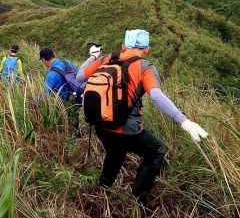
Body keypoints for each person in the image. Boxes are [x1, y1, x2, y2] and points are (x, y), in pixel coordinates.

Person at [76, 30, 209, 206]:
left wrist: (93, 56)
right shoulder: (145, 67)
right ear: (147, 49)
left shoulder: (106, 59)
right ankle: (139, 201)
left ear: (123, 46)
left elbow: (79, 77)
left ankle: (103, 190)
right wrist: (184, 121)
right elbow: (156, 96)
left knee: (115, 152)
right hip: (126, 130)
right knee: (157, 151)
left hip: (101, 125)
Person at [39, 47, 82, 137]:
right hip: (79, 98)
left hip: (67, 104)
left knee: (70, 127)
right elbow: (79, 77)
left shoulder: (51, 75)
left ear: (43, 59)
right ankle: (78, 134)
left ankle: (73, 138)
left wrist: (34, 102)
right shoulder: (67, 62)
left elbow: (44, 95)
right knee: (77, 122)